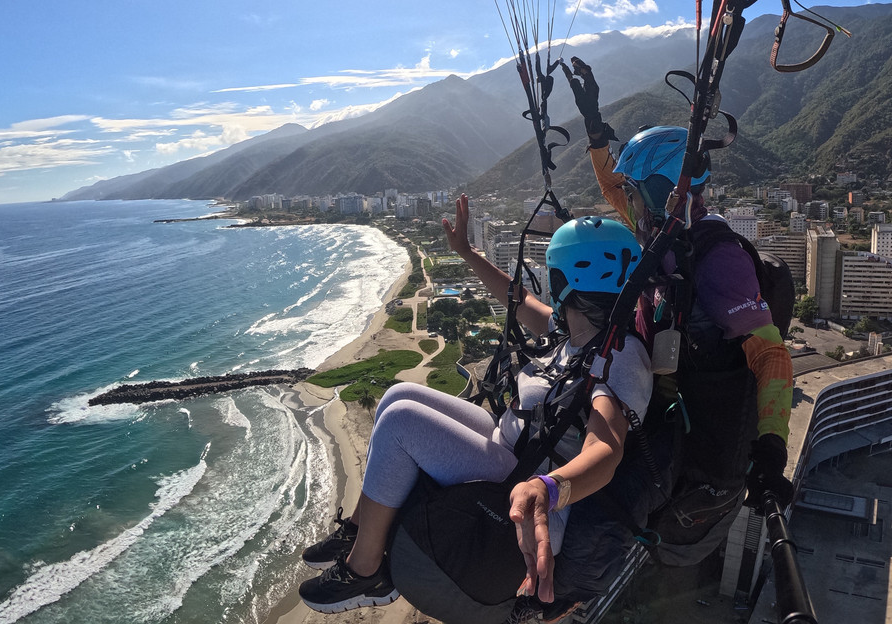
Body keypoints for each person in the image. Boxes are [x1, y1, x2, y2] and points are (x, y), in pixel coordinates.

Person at [296, 195, 652, 615]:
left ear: (564, 281)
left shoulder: (620, 355)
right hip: (512, 450)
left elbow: (606, 451)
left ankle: (366, 569)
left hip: (538, 502)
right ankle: (360, 529)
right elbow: (515, 297)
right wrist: (466, 252)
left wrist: (547, 489)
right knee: (397, 397)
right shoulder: (574, 328)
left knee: (402, 423)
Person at [563, 57, 794, 540]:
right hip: (651, 395)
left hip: (686, 425)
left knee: (599, 515)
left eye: (637, 190)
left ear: (665, 191)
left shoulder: (716, 255)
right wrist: (593, 125)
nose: (628, 199)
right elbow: (610, 185)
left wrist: (771, 449)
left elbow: (770, 352)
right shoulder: (662, 231)